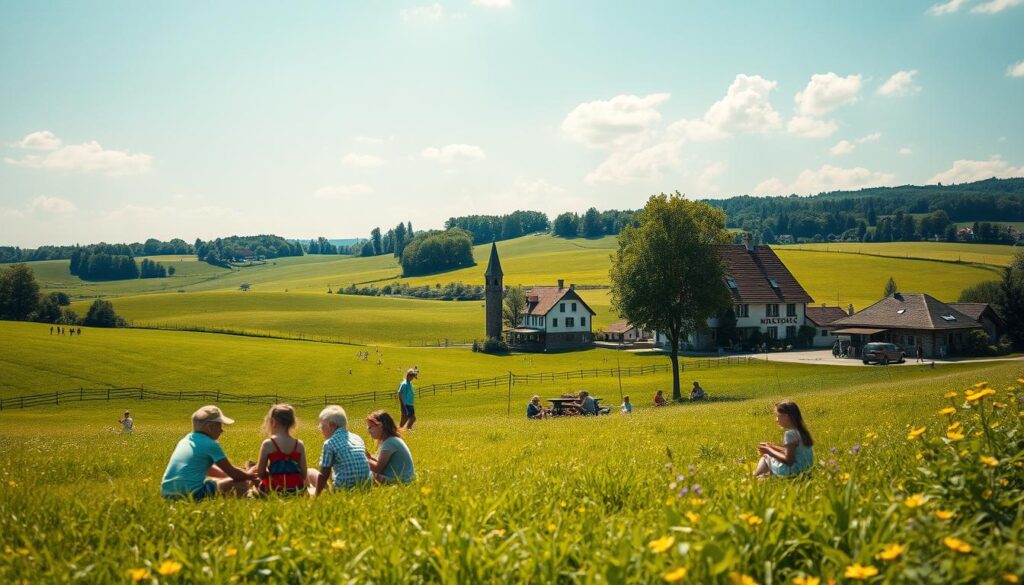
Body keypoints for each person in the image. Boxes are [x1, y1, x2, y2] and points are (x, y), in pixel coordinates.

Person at [160, 406, 257, 499]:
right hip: (192, 494)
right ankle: (249, 495)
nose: (222, 430)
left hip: (166, 493)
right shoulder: (210, 444)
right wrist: (250, 475)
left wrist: (228, 475)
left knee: (216, 481)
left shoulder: (185, 441)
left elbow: (209, 469)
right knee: (240, 483)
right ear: (209, 427)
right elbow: (232, 472)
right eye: (219, 425)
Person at [307, 405, 371, 496]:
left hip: (343, 490)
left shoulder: (329, 443)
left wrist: (317, 495)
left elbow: (324, 474)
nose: (320, 429)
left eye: (321, 426)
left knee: (309, 476)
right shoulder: (357, 438)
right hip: (365, 488)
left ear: (332, 426)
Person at [253, 404, 306, 496]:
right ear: (292, 423)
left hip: (274, 489)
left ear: (273, 422)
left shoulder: (268, 444)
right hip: (296, 490)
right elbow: (304, 474)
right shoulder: (299, 445)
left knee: (253, 489)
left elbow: (261, 473)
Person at [754, 400, 815, 478]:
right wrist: (771, 447)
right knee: (770, 458)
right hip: (806, 471)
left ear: (786, 416)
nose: (776, 420)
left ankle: (753, 478)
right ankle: (766, 476)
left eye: (777, 415)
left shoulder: (790, 434)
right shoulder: (801, 431)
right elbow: (791, 452)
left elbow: (788, 460)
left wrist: (769, 451)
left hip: (793, 472)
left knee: (766, 456)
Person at [365, 410, 415, 484]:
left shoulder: (390, 442)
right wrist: (369, 457)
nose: (368, 431)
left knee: (363, 473)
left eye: (370, 427)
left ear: (380, 426)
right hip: (404, 479)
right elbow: (379, 462)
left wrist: (361, 458)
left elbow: (377, 468)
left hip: (400, 481)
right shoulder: (391, 440)